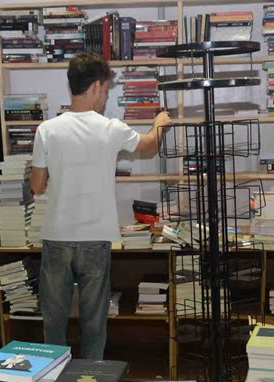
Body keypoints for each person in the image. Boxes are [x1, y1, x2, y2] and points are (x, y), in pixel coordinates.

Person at [29, 52, 169, 359]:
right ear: (96, 86)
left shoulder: (46, 130)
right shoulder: (111, 128)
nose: (105, 97)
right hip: (95, 239)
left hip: (57, 238)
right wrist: (159, 122)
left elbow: (36, 186)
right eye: (105, 90)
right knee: (94, 323)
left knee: (54, 322)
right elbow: (147, 145)